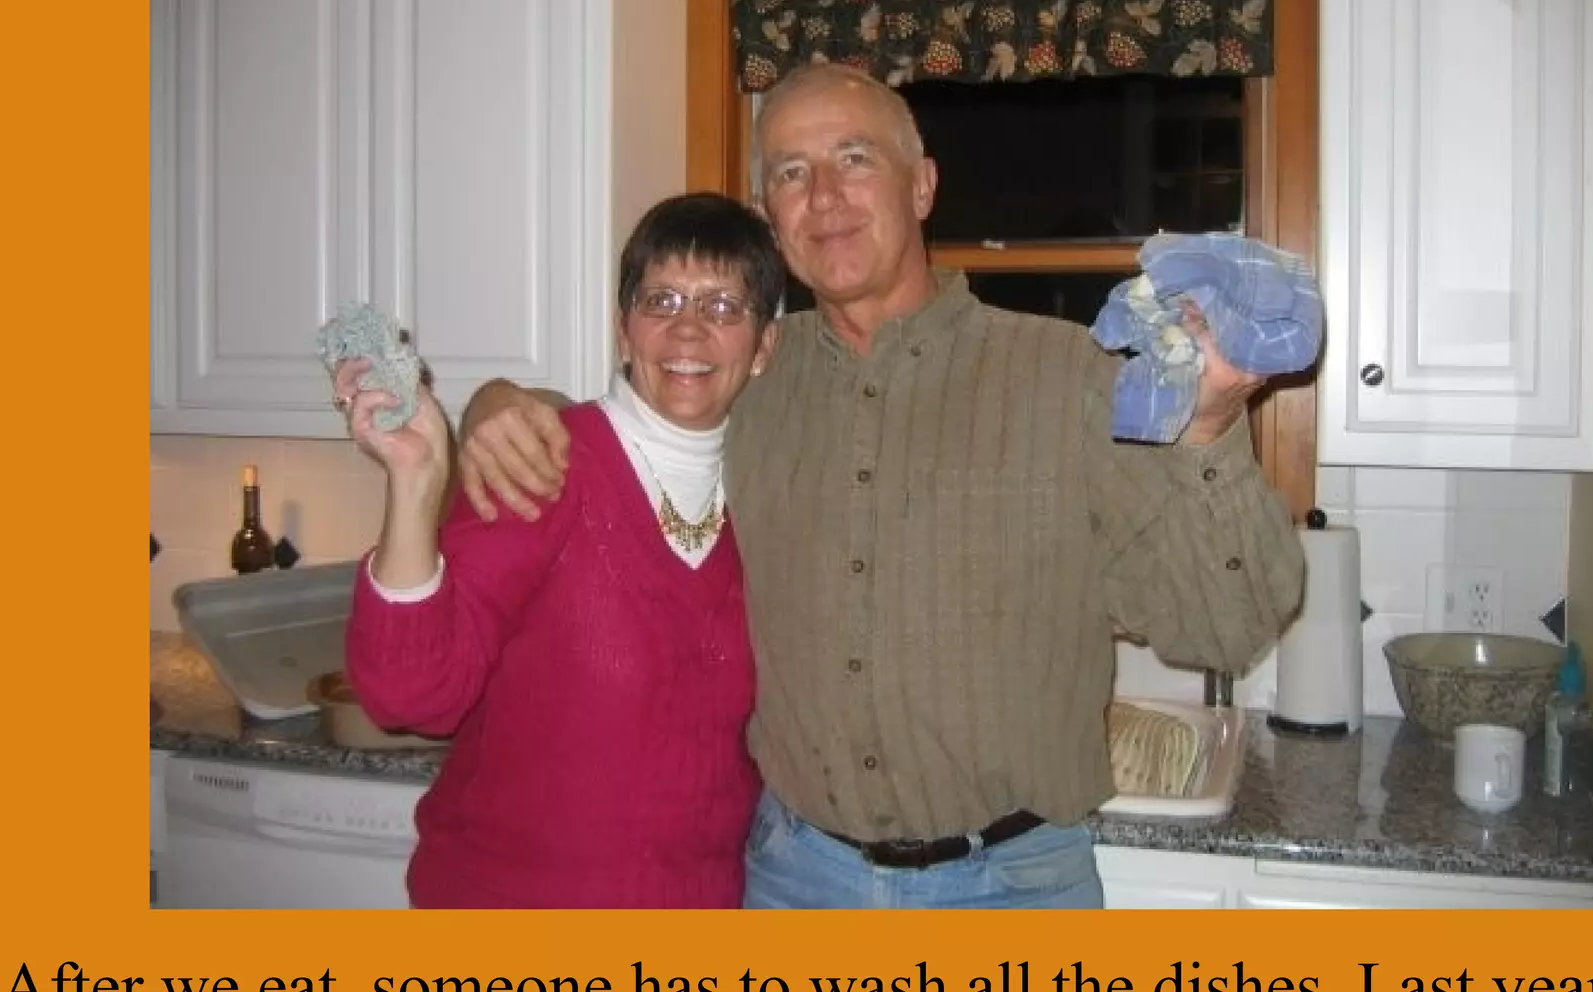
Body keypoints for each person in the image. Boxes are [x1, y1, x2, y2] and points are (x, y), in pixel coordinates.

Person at [456, 63, 1306, 909]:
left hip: (1013, 888)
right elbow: (621, 433)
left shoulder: (1071, 379)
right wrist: (503, 404)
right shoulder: (750, 376)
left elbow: (1223, 632)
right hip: (794, 879)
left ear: (923, 185)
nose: (823, 195)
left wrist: (1211, 425)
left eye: (855, 158)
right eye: (792, 172)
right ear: (772, 216)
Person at [336, 192, 783, 908]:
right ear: (622, 329)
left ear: (764, 347)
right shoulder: (543, 460)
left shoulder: (768, 494)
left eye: (724, 307)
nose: (689, 331)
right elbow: (409, 693)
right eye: (661, 300)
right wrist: (416, 481)